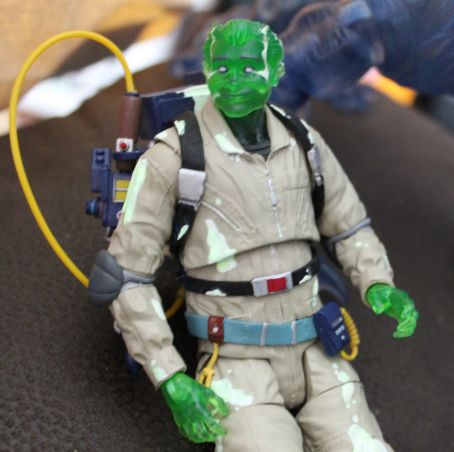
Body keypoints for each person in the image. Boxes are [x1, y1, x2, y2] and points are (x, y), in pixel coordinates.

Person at [102, 18, 418, 451]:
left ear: (276, 71)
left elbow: (348, 226)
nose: (233, 81)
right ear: (206, 70)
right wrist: (170, 376)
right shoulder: (174, 157)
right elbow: (126, 275)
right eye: (222, 68)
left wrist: (378, 283)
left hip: (318, 351)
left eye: (249, 68)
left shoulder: (303, 142)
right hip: (237, 362)